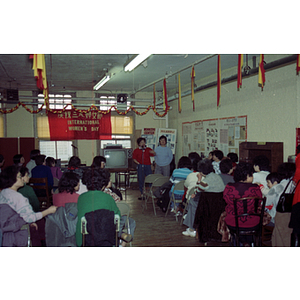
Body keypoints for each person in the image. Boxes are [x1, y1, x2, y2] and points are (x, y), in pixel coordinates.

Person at [75, 168, 131, 247]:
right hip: (105, 241)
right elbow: (117, 217)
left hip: (83, 241)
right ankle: (121, 242)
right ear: (104, 185)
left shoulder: (81, 198)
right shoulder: (108, 198)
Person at [182, 158, 225, 237]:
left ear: (201, 172)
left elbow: (196, 190)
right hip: (219, 205)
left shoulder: (205, 182)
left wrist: (199, 179)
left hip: (208, 206)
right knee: (193, 201)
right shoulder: (218, 177)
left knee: (192, 200)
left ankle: (192, 228)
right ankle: (191, 227)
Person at [223, 162, 263, 245]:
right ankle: (247, 243)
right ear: (247, 176)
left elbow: (226, 201)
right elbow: (259, 202)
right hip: (253, 222)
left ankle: (239, 243)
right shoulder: (255, 188)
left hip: (233, 221)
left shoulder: (229, 187)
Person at [271, 162, 296, 246]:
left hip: (281, 214)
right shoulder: (295, 185)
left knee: (280, 238)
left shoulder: (277, 187)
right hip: (293, 214)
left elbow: (267, 201)